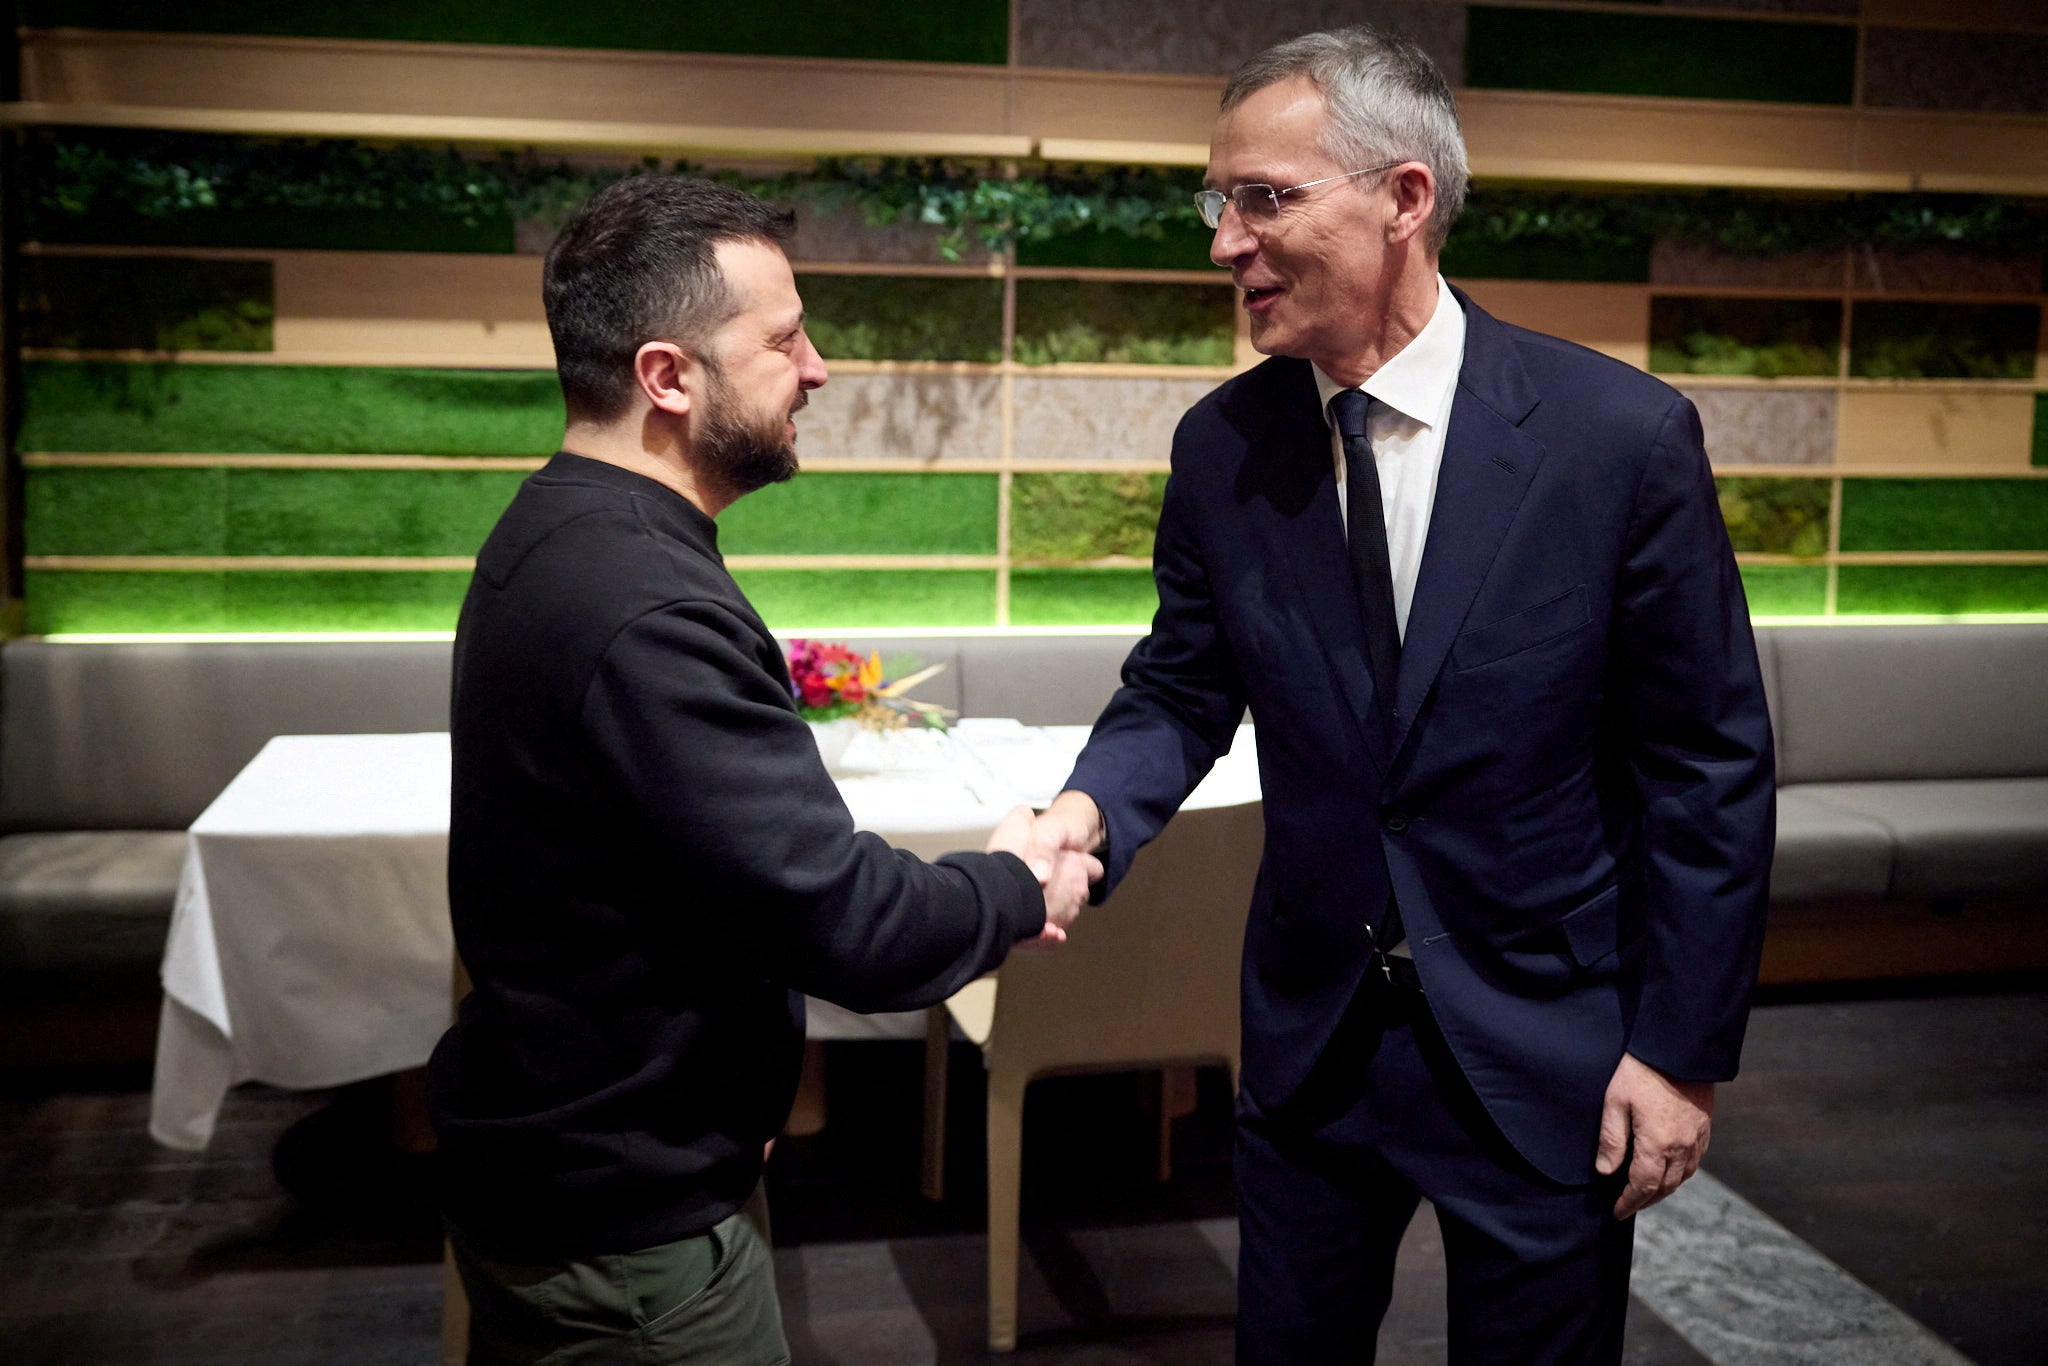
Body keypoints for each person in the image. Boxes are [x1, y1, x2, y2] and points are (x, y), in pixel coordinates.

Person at [1028, 26, 1775, 1364]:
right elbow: (1182, 685)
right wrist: (1089, 811)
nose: (1224, 243)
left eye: (1262, 198)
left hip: (1546, 1045)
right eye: (1219, 203)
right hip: (1313, 1044)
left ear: (1404, 197)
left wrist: (1679, 1050)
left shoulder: (1618, 439)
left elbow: (1703, 766)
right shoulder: (1225, 446)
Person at [428, 174, 1096, 1364]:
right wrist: (1013, 885)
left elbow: (689, 888)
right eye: (783, 338)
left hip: (569, 1169)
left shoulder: (554, 531)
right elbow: (832, 914)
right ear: (667, 376)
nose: (819, 367)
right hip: (630, 1236)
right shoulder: (641, 600)